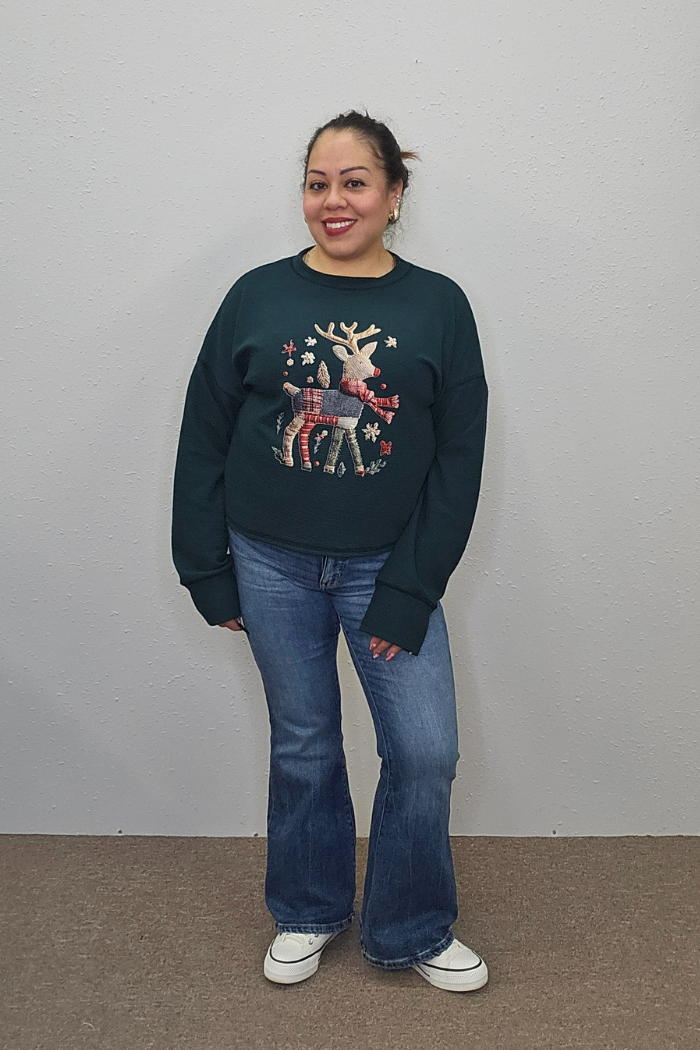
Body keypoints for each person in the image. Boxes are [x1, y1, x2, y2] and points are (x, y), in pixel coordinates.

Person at [171, 110, 489, 993]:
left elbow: (460, 462)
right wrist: (206, 565)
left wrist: (410, 587)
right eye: (318, 183)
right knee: (305, 742)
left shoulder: (439, 305)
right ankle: (308, 909)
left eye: (355, 182)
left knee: (425, 750)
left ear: (393, 195)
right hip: (267, 562)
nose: (334, 200)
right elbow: (205, 434)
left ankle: (411, 925)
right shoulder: (255, 295)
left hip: (387, 567)